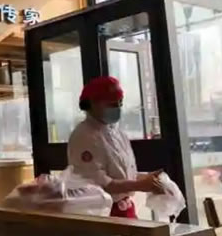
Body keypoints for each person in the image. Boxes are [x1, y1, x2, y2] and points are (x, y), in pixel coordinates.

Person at [67, 76, 163, 218]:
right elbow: (99, 184)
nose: (117, 108)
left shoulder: (117, 133)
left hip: (125, 208)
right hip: (103, 213)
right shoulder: (84, 136)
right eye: (112, 104)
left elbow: (122, 174)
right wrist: (140, 185)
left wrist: (147, 179)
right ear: (92, 103)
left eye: (120, 103)